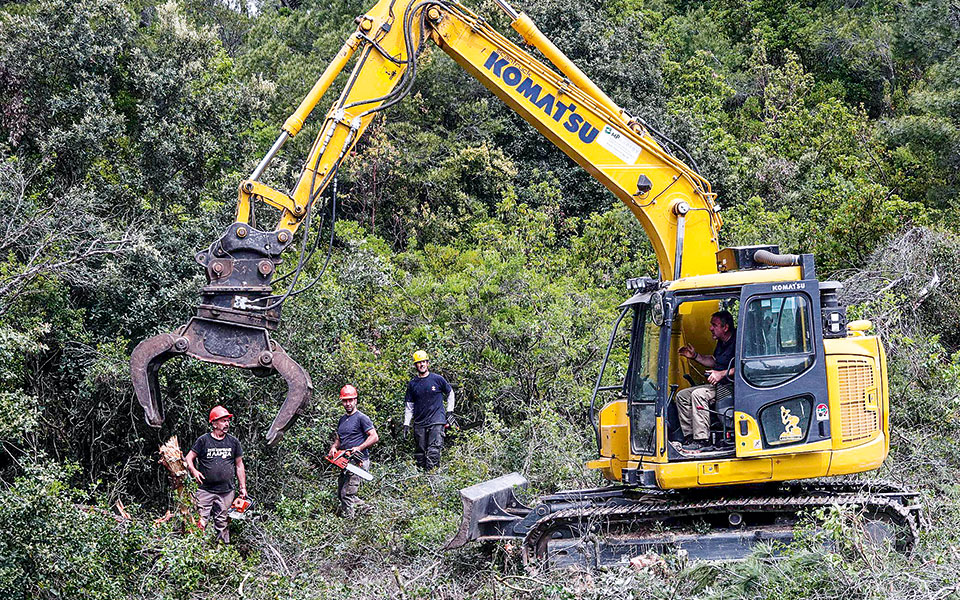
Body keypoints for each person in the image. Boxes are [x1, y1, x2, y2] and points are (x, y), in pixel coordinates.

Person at [675, 310, 736, 452]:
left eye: (714, 325)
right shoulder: (722, 342)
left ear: (725, 328)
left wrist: (721, 374)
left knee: (699, 394)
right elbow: (714, 361)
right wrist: (695, 356)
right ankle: (690, 437)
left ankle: (703, 440)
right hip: (719, 385)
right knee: (682, 396)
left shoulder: (740, 340)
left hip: (733, 386)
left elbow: (744, 366)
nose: (710, 328)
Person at [185, 405, 247, 543]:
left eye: (227, 421)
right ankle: (196, 549)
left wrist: (243, 488)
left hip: (226, 492)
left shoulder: (233, 442)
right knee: (199, 521)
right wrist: (194, 471)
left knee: (223, 523)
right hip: (205, 490)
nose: (227, 424)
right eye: (223, 421)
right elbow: (188, 458)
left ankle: (222, 552)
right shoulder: (203, 440)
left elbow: (239, 465)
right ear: (213, 423)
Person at [327, 385, 378, 517]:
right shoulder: (342, 420)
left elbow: (374, 436)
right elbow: (339, 439)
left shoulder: (362, 418)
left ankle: (349, 524)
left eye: (350, 400)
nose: (348, 403)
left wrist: (359, 447)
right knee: (341, 493)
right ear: (342, 401)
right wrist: (334, 448)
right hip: (346, 461)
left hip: (358, 461)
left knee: (347, 494)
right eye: (345, 400)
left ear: (355, 400)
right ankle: (369, 511)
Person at [403, 350, 455, 470]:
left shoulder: (437, 379)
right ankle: (422, 481)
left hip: (437, 420)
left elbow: (450, 392)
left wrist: (449, 411)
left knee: (433, 451)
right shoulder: (412, 384)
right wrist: (406, 424)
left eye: (424, 362)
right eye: (419, 362)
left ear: (427, 363)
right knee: (420, 453)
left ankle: (433, 479)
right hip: (420, 422)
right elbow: (409, 406)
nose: (421, 365)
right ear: (415, 365)